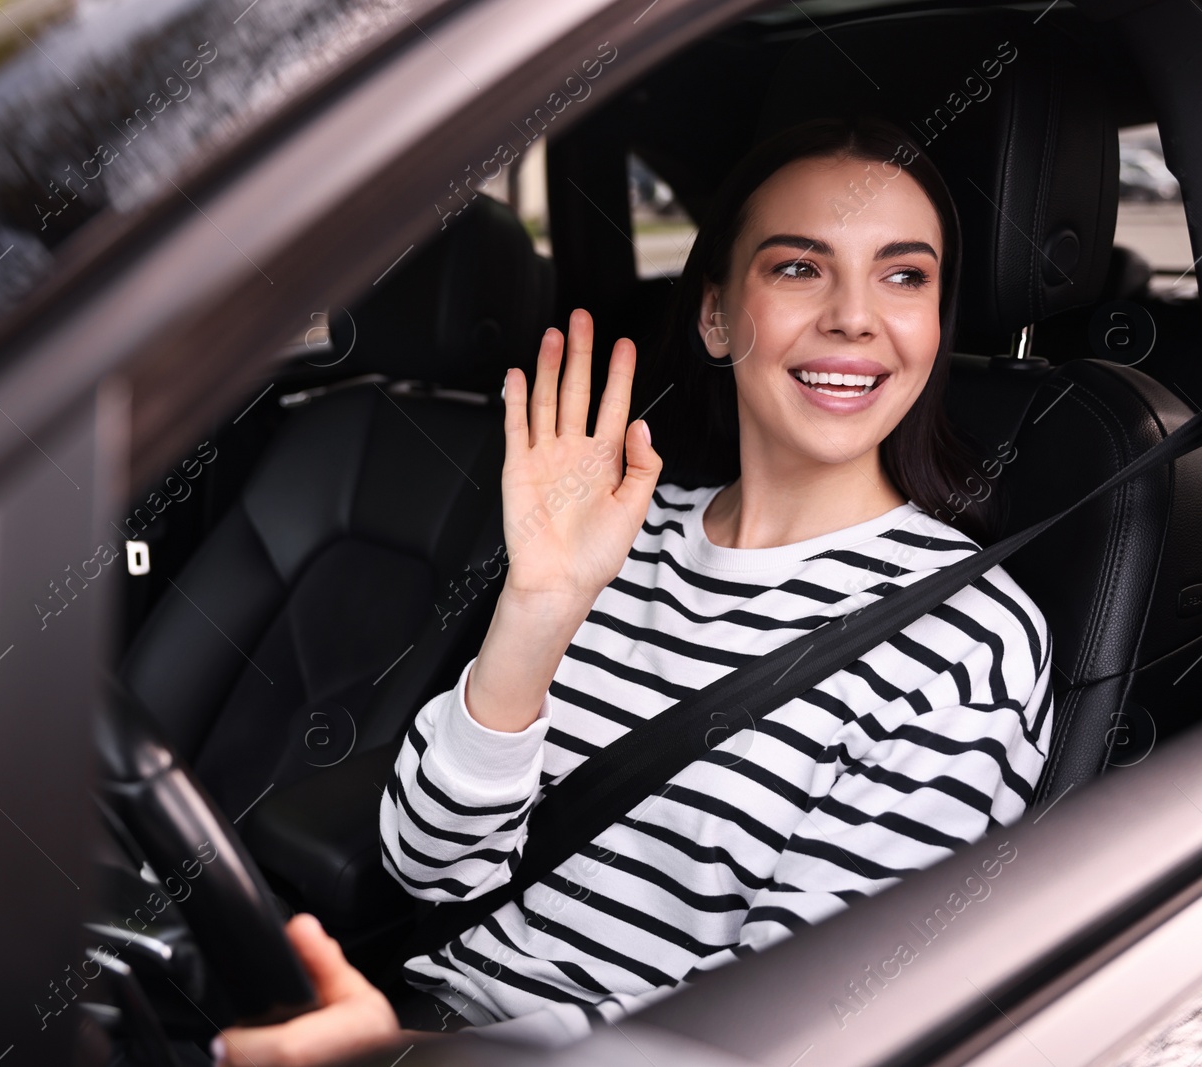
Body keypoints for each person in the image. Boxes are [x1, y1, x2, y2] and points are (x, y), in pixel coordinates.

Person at [214, 114, 1054, 1064]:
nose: (855, 316)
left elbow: (794, 1034)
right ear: (715, 314)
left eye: (905, 275)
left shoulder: (964, 643)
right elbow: (431, 866)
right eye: (797, 267)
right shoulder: (621, 528)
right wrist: (539, 606)